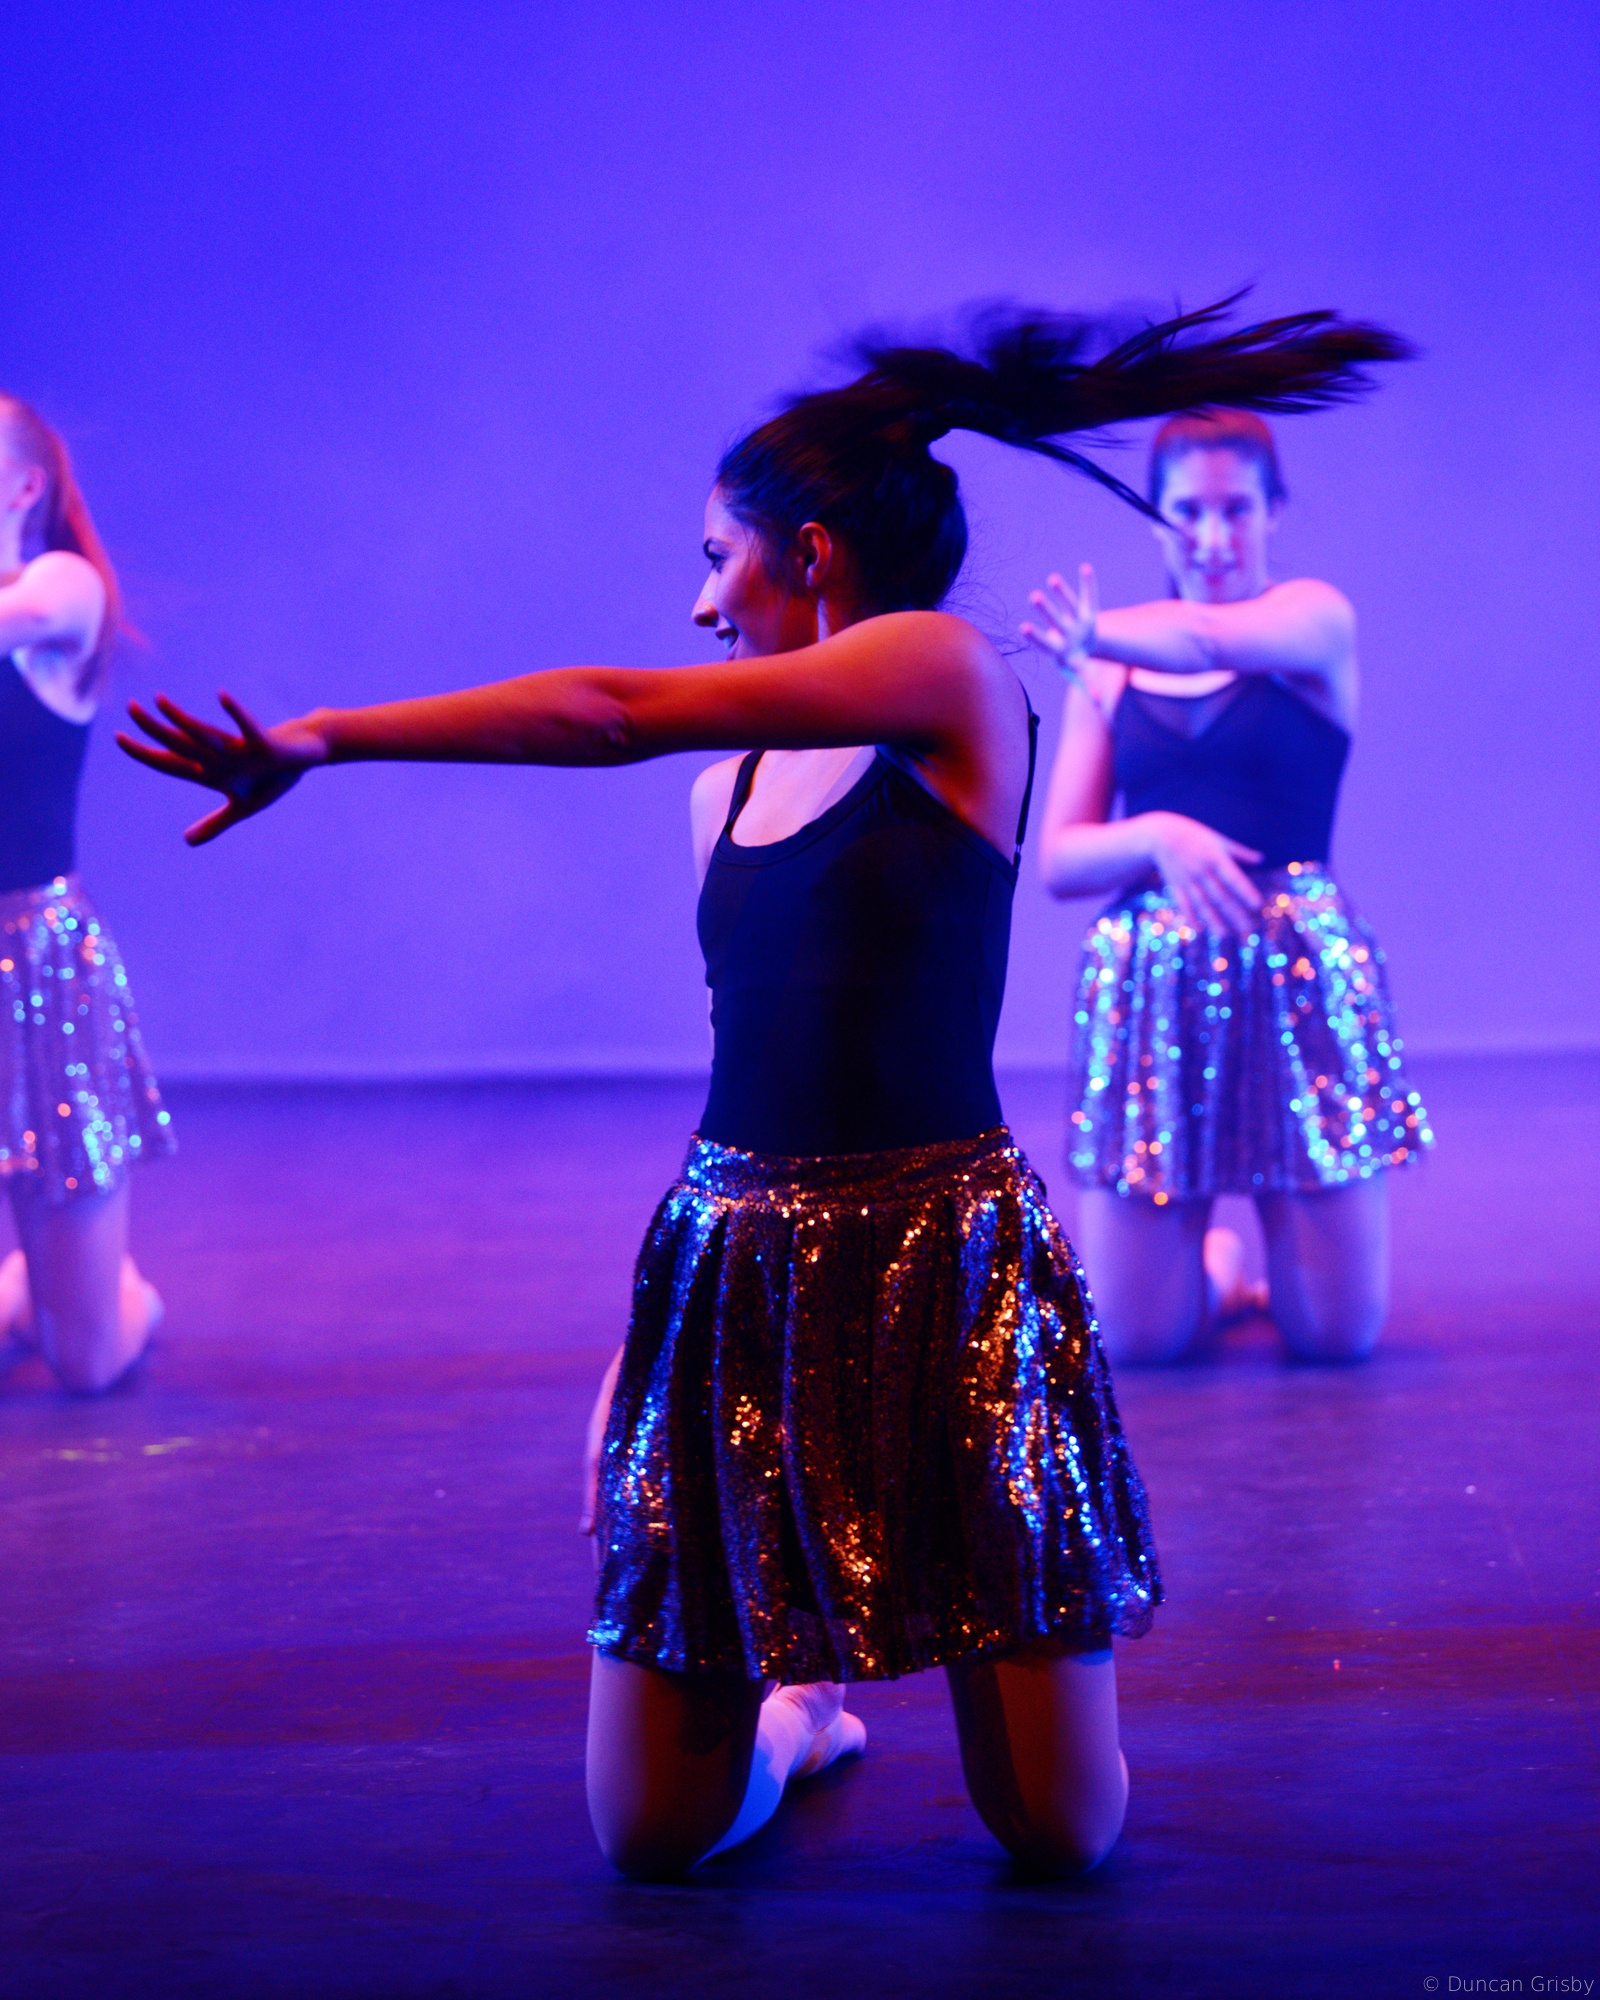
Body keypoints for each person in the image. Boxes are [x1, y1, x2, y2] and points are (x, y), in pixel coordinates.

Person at [120, 299, 1404, 1878]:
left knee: (1061, 1835)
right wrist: (653, 1351)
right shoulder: (721, 792)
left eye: (716, 558)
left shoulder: (948, 675)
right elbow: (754, 1059)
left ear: (809, 554)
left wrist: (326, 738)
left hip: (952, 1273)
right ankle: (801, 1722)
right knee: (649, 1836)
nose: (698, 600)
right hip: (742, 1273)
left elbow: (615, 710)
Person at [1024, 407, 1432, 1367]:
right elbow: (1060, 861)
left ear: (1273, 511)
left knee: (1335, 1338)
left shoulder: (1314, 621)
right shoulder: (1107, 670)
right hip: (1156, 997)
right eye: (1187, 513)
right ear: (1157, 520)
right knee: (1138, 1342)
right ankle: (1217, 1265)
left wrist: (1098, 633)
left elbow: (1208, 642)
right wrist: (1157, 835)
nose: (1211, 538)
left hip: (1299, 983)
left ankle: (1284, 1272)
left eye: (1235, 510)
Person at [0, 394, 172, 1392]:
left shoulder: (59, 588)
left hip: (36, 968)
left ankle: (90, 1293)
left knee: (88, 1362)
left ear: (24, 486)